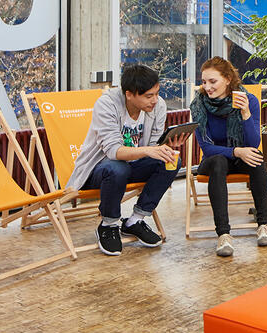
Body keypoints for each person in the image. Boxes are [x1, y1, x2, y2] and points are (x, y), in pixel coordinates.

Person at [67, 64, 183, 256]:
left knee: (171, 161)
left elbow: (153, 145)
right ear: (129, 94)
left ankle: (135, 220)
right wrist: (149, 150)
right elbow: (113, 151)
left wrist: (166, 147)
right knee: (117, 167)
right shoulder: (107, 104)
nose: (155, 100)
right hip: (98, 170)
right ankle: (108, 224)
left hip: (131, 167)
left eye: (157, 93)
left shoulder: (158, 106)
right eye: (148, 96)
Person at [190, 58, 267, 257]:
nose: (207, 87)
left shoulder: (249, 101)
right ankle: (223, 234)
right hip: (213, 161)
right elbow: (207, 147)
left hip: (241, 158)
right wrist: (236, 151)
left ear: (228, 79)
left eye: (212, 81)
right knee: (220, 161)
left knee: (255, 157)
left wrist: (245, 112)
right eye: (204, 82)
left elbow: (253, 144)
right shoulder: (199, 105)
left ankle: (264, 224)